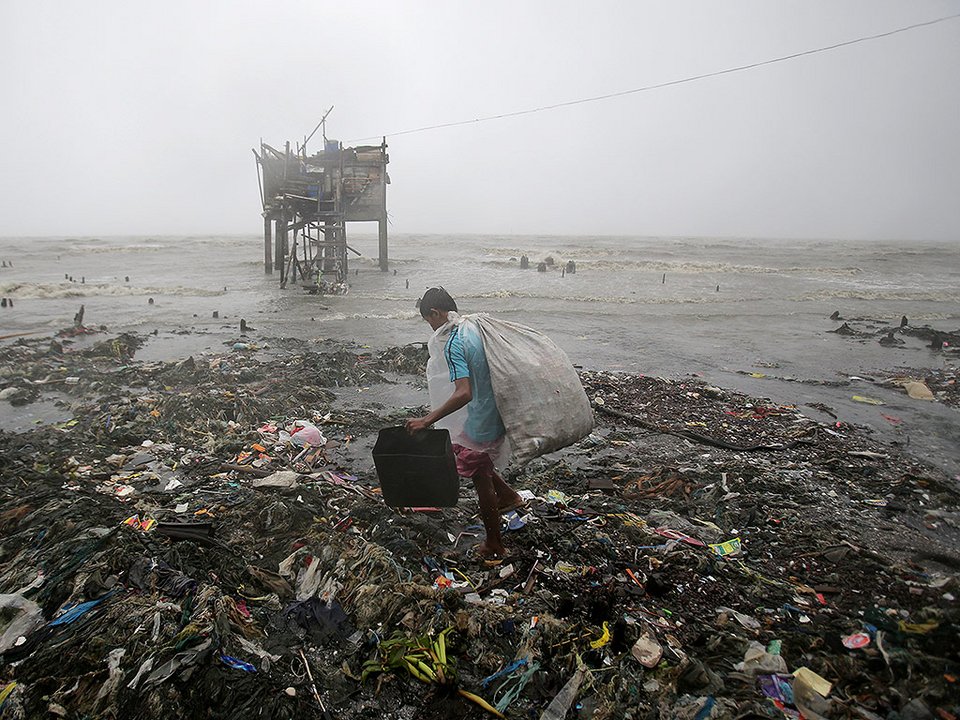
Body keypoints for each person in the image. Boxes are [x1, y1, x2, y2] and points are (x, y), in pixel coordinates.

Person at [406, 287, 523, 559]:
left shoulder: (455, 342)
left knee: (478, 474)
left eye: (428, 321)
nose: (430, 327)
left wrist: (427, 419)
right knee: (474, 459)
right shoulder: (474, 327)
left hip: (481, 420)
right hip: (495, 409)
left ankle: (494, 543)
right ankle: (508, 496)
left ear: (435, 313)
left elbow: (463, 392)